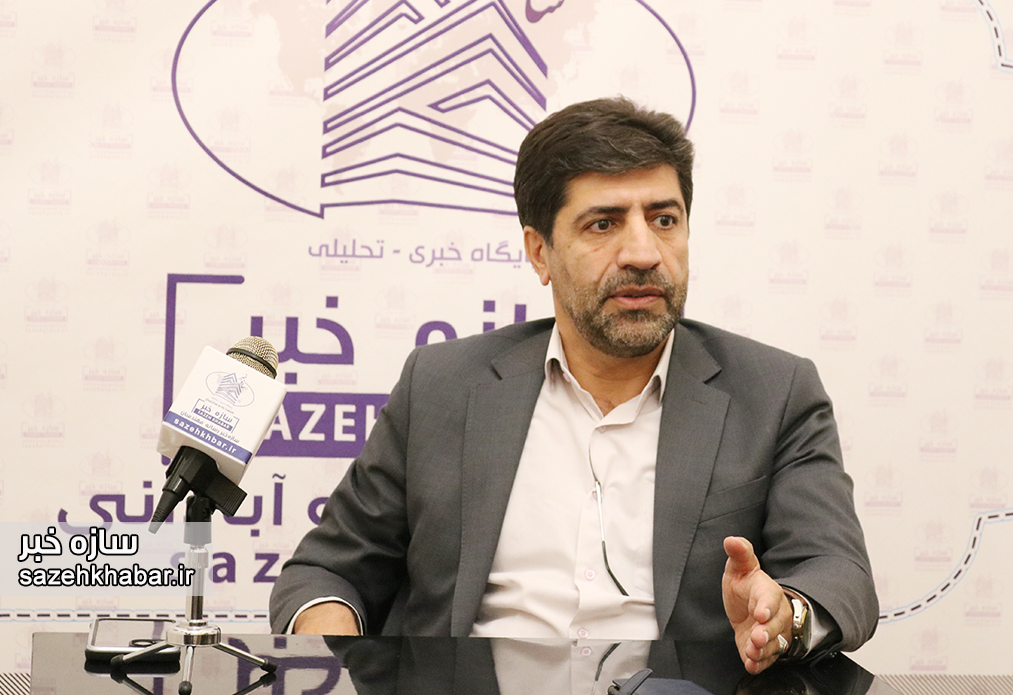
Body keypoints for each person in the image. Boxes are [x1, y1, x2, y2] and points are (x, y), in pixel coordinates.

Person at [269, 97, 878, 673]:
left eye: (664, 219)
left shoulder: (773, 393)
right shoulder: (442, 386)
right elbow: (327, 571)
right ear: (540, 252)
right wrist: (342, 660)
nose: (643, 252)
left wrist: (786, 616)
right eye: (603, 224)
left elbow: (837, 571)